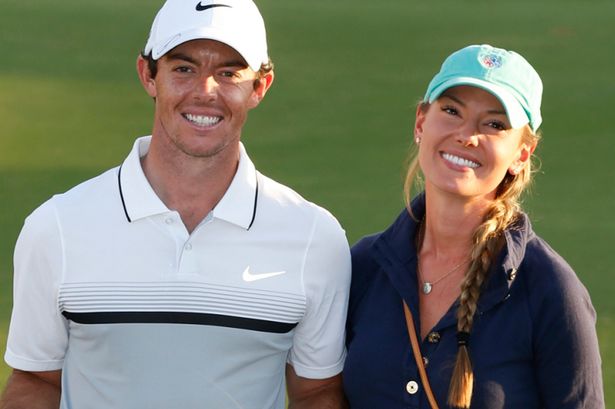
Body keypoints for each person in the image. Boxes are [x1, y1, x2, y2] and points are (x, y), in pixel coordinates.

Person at [1, 1, 351, 408]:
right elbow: (36, 379)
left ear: (259, 87)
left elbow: (317, 392)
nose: (205, 92)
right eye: (184, 69)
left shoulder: (315, 238)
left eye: (228, 73)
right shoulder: (56, 227)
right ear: (148, 75)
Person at [343, 44, 604, 408]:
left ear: (521, 154)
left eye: (494, 124)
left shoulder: (552, 291)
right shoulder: (362, 267)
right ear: (421, 122)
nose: (467, 135)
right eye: (452, 111)